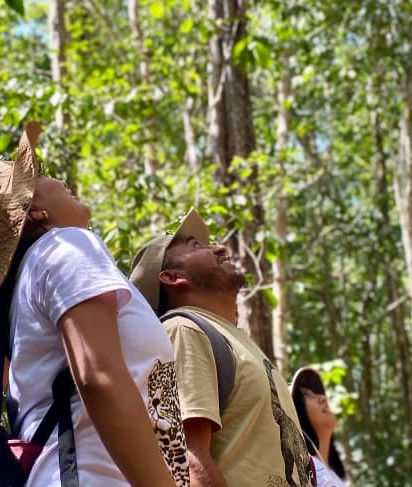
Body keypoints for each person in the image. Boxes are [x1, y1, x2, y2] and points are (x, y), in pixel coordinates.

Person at [0, 123, 189, 486]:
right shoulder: (66, 247)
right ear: (34, 210)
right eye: (39, 177)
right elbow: (98, 376)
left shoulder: (31, 282)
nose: (54, 179)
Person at [129, 208, 313, 487]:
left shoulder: (234, 339)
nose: (221, 248)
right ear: (171, 277)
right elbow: (190, 462)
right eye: (197, 246)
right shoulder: (184, 330)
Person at [291, 367, 348, 487]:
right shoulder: (303, 471)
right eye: (306, 394)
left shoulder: (333, 475)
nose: (323, 398)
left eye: (319, 393)